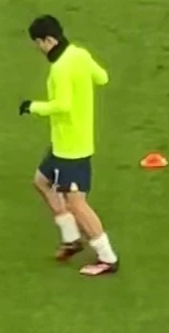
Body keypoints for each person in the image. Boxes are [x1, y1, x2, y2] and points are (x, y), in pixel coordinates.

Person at [19, 15, 119, 277]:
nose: (38, 48)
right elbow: (103, 78)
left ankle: (107, 258)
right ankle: (71, 237)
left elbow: (63, 105)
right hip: (68, 142)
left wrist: (32, 106)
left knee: (76, 204)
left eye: (38, 43)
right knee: (41, 181)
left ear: (48, 40)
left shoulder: (60, 68)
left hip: (70, 148)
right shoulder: (80, 55)